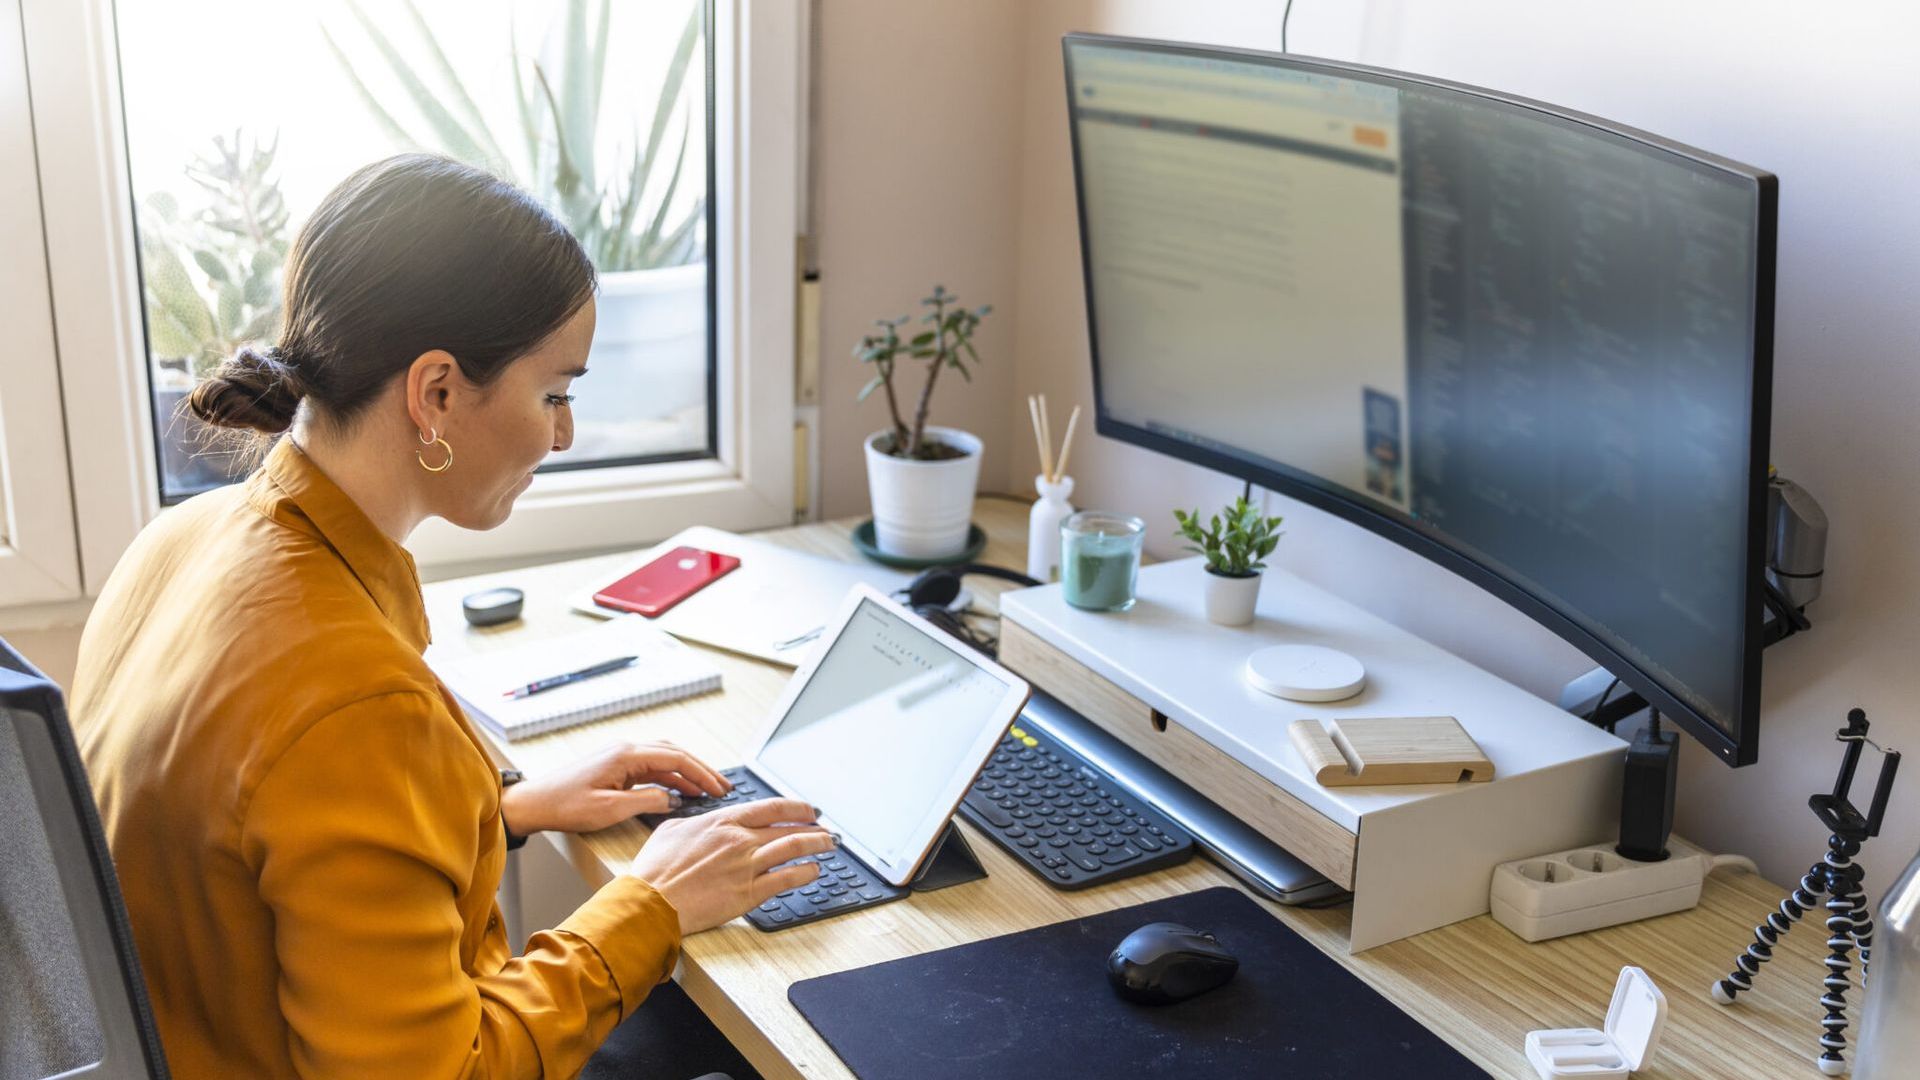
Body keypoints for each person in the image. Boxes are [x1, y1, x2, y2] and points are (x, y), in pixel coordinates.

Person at [69, 154, 832, 1078]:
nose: (564, 434)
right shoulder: (356, 706)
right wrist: (653, 904)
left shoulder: (185, 538)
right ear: (435, 394)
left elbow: (265, 854)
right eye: (554, 393)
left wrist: (496, 811)